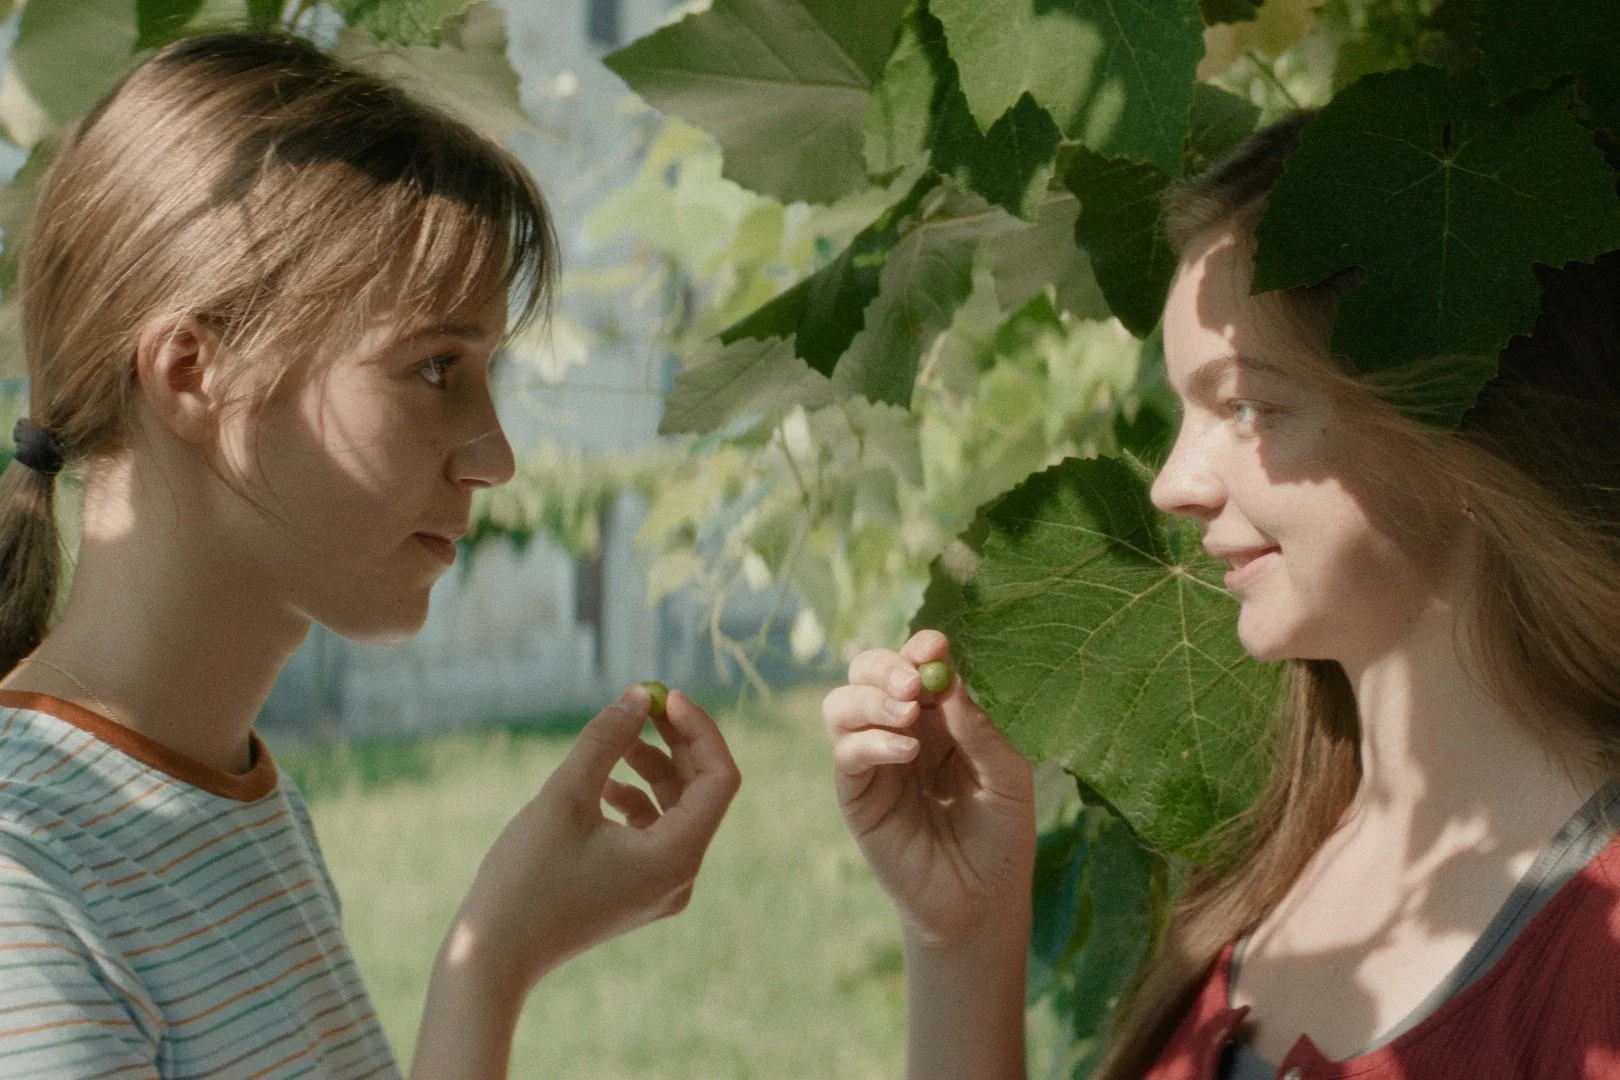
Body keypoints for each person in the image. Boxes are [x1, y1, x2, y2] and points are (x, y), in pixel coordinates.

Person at [0, 32, 741, 1080]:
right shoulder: (23, 892)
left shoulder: (240, 801)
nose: (496, 458)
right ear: (191, 373)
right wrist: (493, 963)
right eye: (436, 369)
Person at [824, 113, 1620, 1079]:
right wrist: (962, 940)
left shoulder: (1597, 960)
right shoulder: (1263, 864)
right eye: (1186, 410)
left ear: (1451, 420)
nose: (1172, 484)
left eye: (1245, 406)